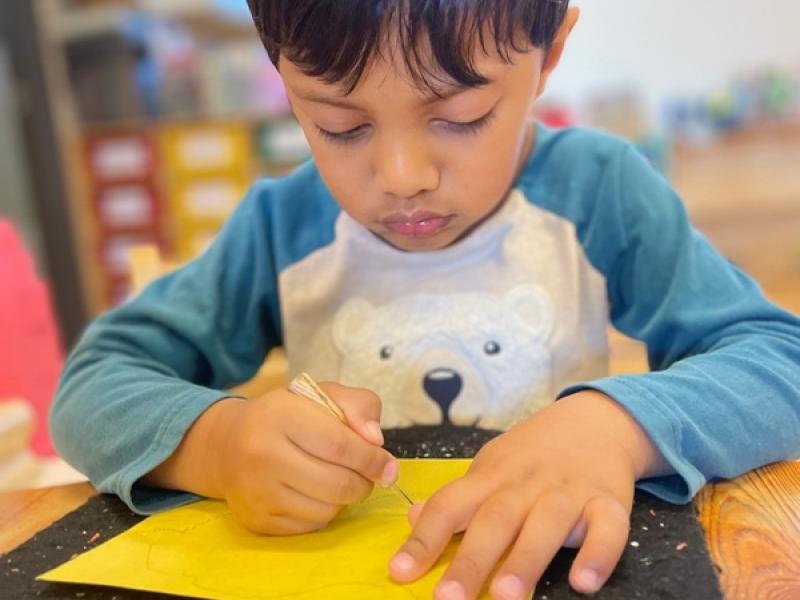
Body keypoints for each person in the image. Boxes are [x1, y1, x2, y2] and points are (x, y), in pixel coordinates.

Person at [51, 1, 800, 598]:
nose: (403, 174)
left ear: (551, 54)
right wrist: (216, 446)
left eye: (461, 116)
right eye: (339, 125)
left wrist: (614, 428)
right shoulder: (281, 228)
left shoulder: (599, 192)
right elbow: (94, 385)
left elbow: (779, 362)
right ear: (282, 77)